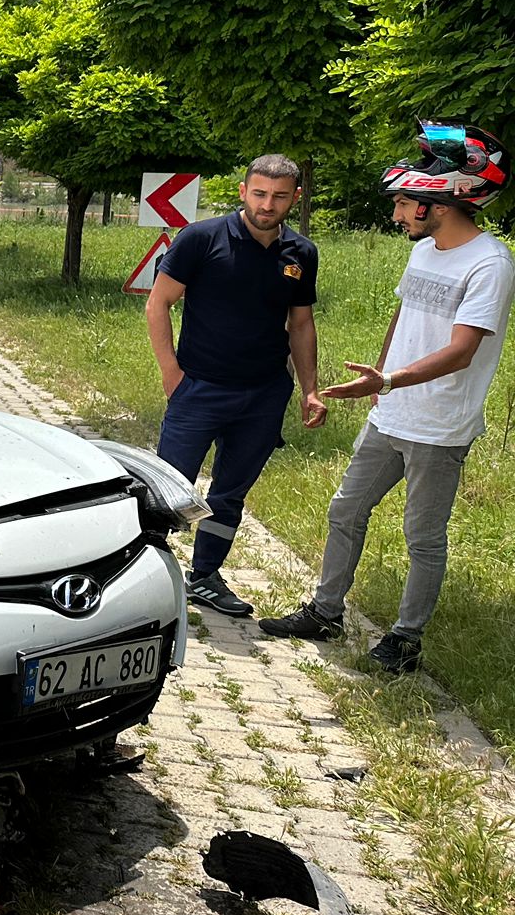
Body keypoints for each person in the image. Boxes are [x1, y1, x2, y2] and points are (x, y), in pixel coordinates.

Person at [260, 123, 512, 672]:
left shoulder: (489, 265)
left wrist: (390, 381)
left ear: (441, 202)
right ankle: (325, 612)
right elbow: (405, 314)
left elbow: (463, 350)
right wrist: (380, 377)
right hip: (391, 412)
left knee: (422, 536)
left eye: (404, 203)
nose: (397, 215)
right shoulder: (425, 251)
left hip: (440, 425)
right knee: (346, 509)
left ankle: (406, 639)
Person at [147, 156, 327, 616]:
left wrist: (309, 388)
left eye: (280, 196)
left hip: (264, 395)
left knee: (229, 494)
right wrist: (173, 374)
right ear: (244, 190)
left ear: (295, 198)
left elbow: (301, 324)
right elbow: (159, 304)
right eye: (260, 193)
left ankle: (204, 576)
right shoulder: (200, 238)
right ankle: (144, 574)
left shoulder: (301, 254)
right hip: (199, 389)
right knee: (170, 487)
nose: (268, 204)